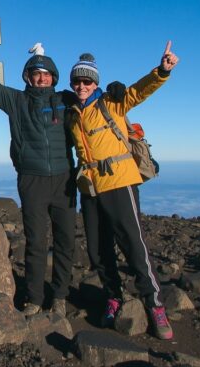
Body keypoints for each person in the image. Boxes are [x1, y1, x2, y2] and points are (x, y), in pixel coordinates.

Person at [66, 44, 179, 340]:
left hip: (119, 182)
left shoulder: (113, 102)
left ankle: (155, 306)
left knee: (133, 245)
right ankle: (113, 296)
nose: (81, 86)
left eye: (87, 81)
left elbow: (139, 92)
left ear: (96, 83)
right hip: (90, 189)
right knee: (98, 249)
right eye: (77, 81)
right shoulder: (72, 113)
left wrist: (162, 70)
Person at [0, 20, 75, 317]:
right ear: (27, 77)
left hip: (65, 180)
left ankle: (60, 296)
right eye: (36, 75)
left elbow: (90, 94)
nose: (41, 79)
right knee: (37, 242)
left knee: (65, 241)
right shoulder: (17, 101)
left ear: (53, 77)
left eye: (46, 75)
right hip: (32, 180)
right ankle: (35, 298)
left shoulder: (66, 100)